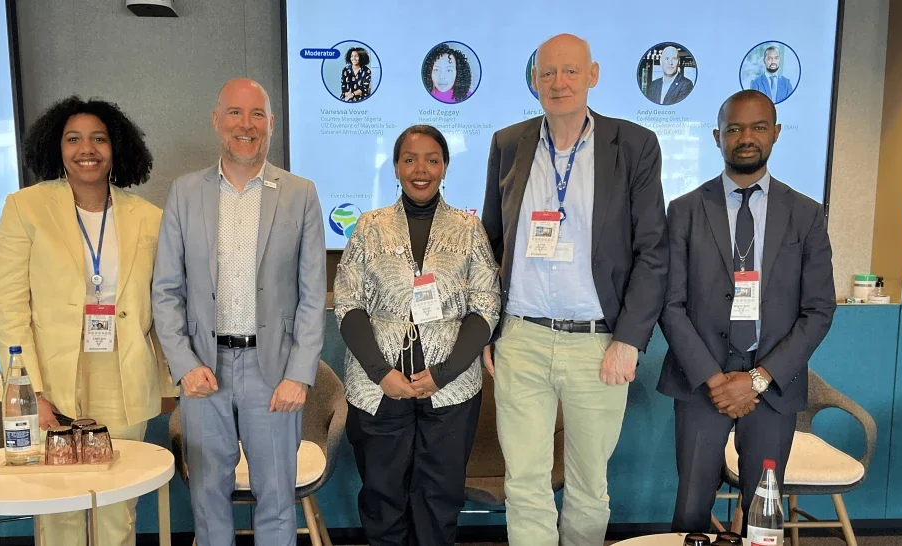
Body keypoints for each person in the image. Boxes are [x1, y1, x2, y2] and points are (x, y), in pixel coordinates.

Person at [481, 33, 668, 545]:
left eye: (569, 71)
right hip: (522, 338)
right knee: (524, 484)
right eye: (547, 73)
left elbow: (654, 251)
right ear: (535, 79)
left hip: (599, 344)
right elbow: (490, 242)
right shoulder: (507, 143)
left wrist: (629, 340)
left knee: (589, 486)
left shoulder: (633, 146)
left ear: (593, 75)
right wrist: (489, 331)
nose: (558, 83)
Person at [0, 95, 178, 545]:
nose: (86, 149)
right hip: (49, 378)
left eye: (98, 139)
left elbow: (167, 304)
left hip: (124, 373)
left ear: (117, 148)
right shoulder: (25, 208)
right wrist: (29, 392)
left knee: (117, 506)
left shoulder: (149, 217)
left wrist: (168, 382)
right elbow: (8, 303)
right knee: (58, 508)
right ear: (57, 147)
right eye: (73, 139)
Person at [152, 78, 327, 546]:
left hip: (273, 372)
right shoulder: (185, 193)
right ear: (216, 120)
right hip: (203, 368)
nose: (244, 126)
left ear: (271, 124)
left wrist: (300, 374)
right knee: (208, 497)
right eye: (234, 113)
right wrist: (184, 366)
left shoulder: (300, 193)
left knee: (275, 498)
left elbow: (313, 294)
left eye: (256, 115)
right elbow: (166, 291)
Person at [657, 89, 835, 534]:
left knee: (763, 512)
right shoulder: (684, 211)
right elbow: (670, 304)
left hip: (773, 385)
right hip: (701, 382)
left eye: (758, 127)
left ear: (775, 134)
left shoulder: (807, 215)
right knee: (692, 508)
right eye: (734, 128)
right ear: (717, 136)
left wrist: (756, 380)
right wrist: (717, 382)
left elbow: (818, 310)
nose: (746, 137)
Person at [333, 125, 500, 546]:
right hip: (379, 389)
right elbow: (347, 303)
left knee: (438, 498)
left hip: (450, 389)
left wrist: (443, 372)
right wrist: (380, 372)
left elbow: (486, 307)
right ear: (395, 167)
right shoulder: (369, 227)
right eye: (409, 159)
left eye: (431, 159)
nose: (420, 169)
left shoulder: (468, 228)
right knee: (382, 496)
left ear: (444, 167)